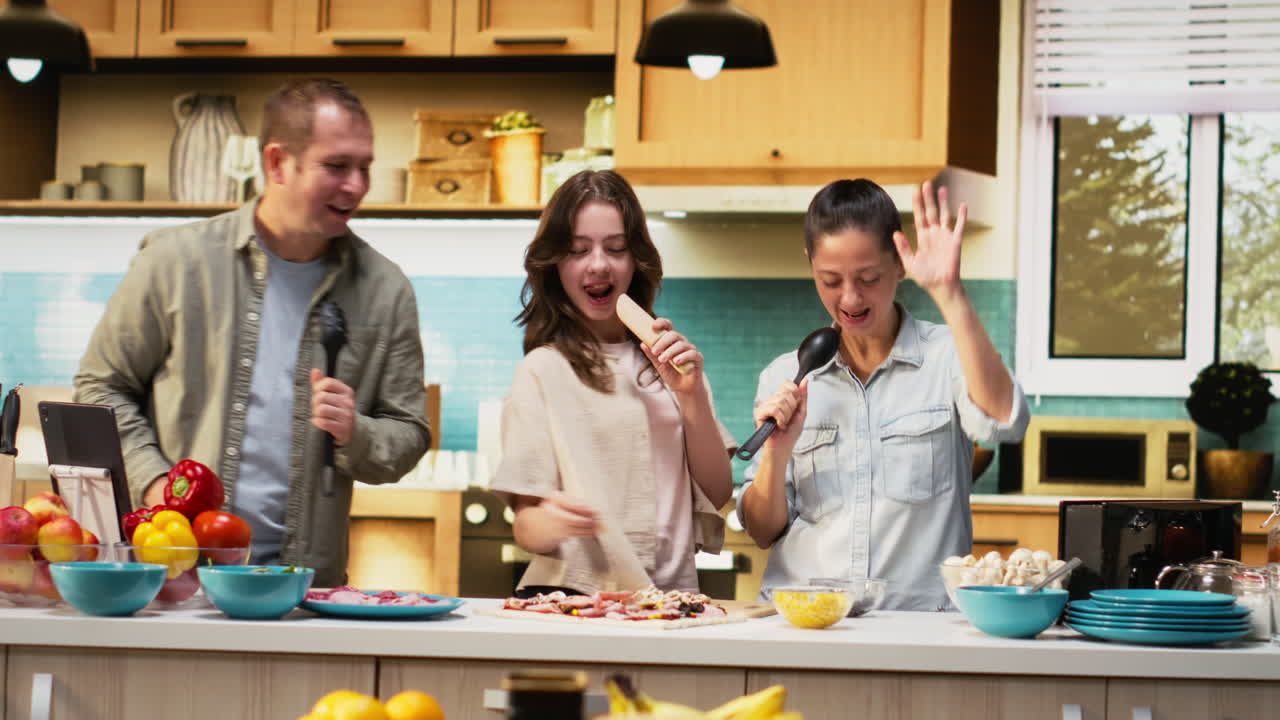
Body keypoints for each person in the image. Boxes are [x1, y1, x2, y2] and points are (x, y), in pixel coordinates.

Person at [74, 79, 430, 586]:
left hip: (304, 590)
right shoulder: (174, 262)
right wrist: (154, 483)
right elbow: (99, 389)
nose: (356, 185)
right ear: (277, 163)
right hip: (171, 580)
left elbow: (410, 432)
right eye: (336, 166)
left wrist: (357, 432)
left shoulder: (385, 289)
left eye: (364, 167)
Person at [737, 178, 1030, 611]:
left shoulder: (947, 356)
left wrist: (950, 293)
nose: (850, 298)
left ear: (898, 262)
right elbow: (763, 532)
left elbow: (1005, 421)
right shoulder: (786, 375)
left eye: (868, 278)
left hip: (915, 625)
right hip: (805, 621)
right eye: (830, 280)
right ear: (811, 264)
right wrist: (778, 450)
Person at [490, 169, 735, 597]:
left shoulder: (673, 363)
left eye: (616, 248)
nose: (599, 264)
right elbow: (527, 526)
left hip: (671, 598)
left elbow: (718, 492)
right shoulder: (543, 371)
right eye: (578, 250)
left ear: (635, 259)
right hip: (580, 598)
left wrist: (690, 395)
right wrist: (553, 521)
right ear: (556, 265)